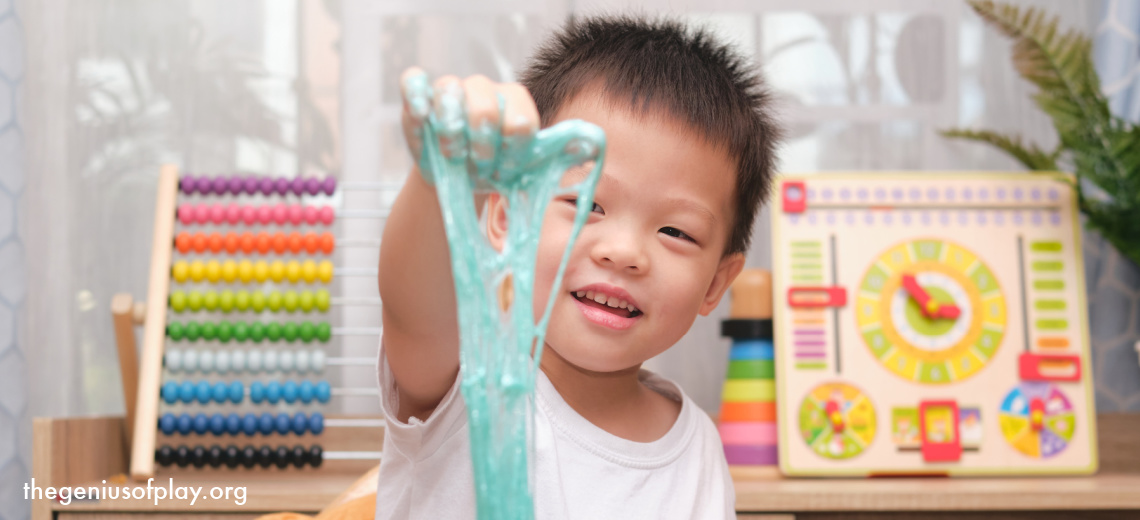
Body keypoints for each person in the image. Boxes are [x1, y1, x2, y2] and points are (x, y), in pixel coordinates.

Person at [375, 15, 780, 519]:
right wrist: (441, 178)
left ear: (715, 284)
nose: (624, 251)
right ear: (506, 216)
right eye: (586, 203)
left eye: (675, 232)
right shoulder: (469, 374)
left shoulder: (698, 450)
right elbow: (414, 307)